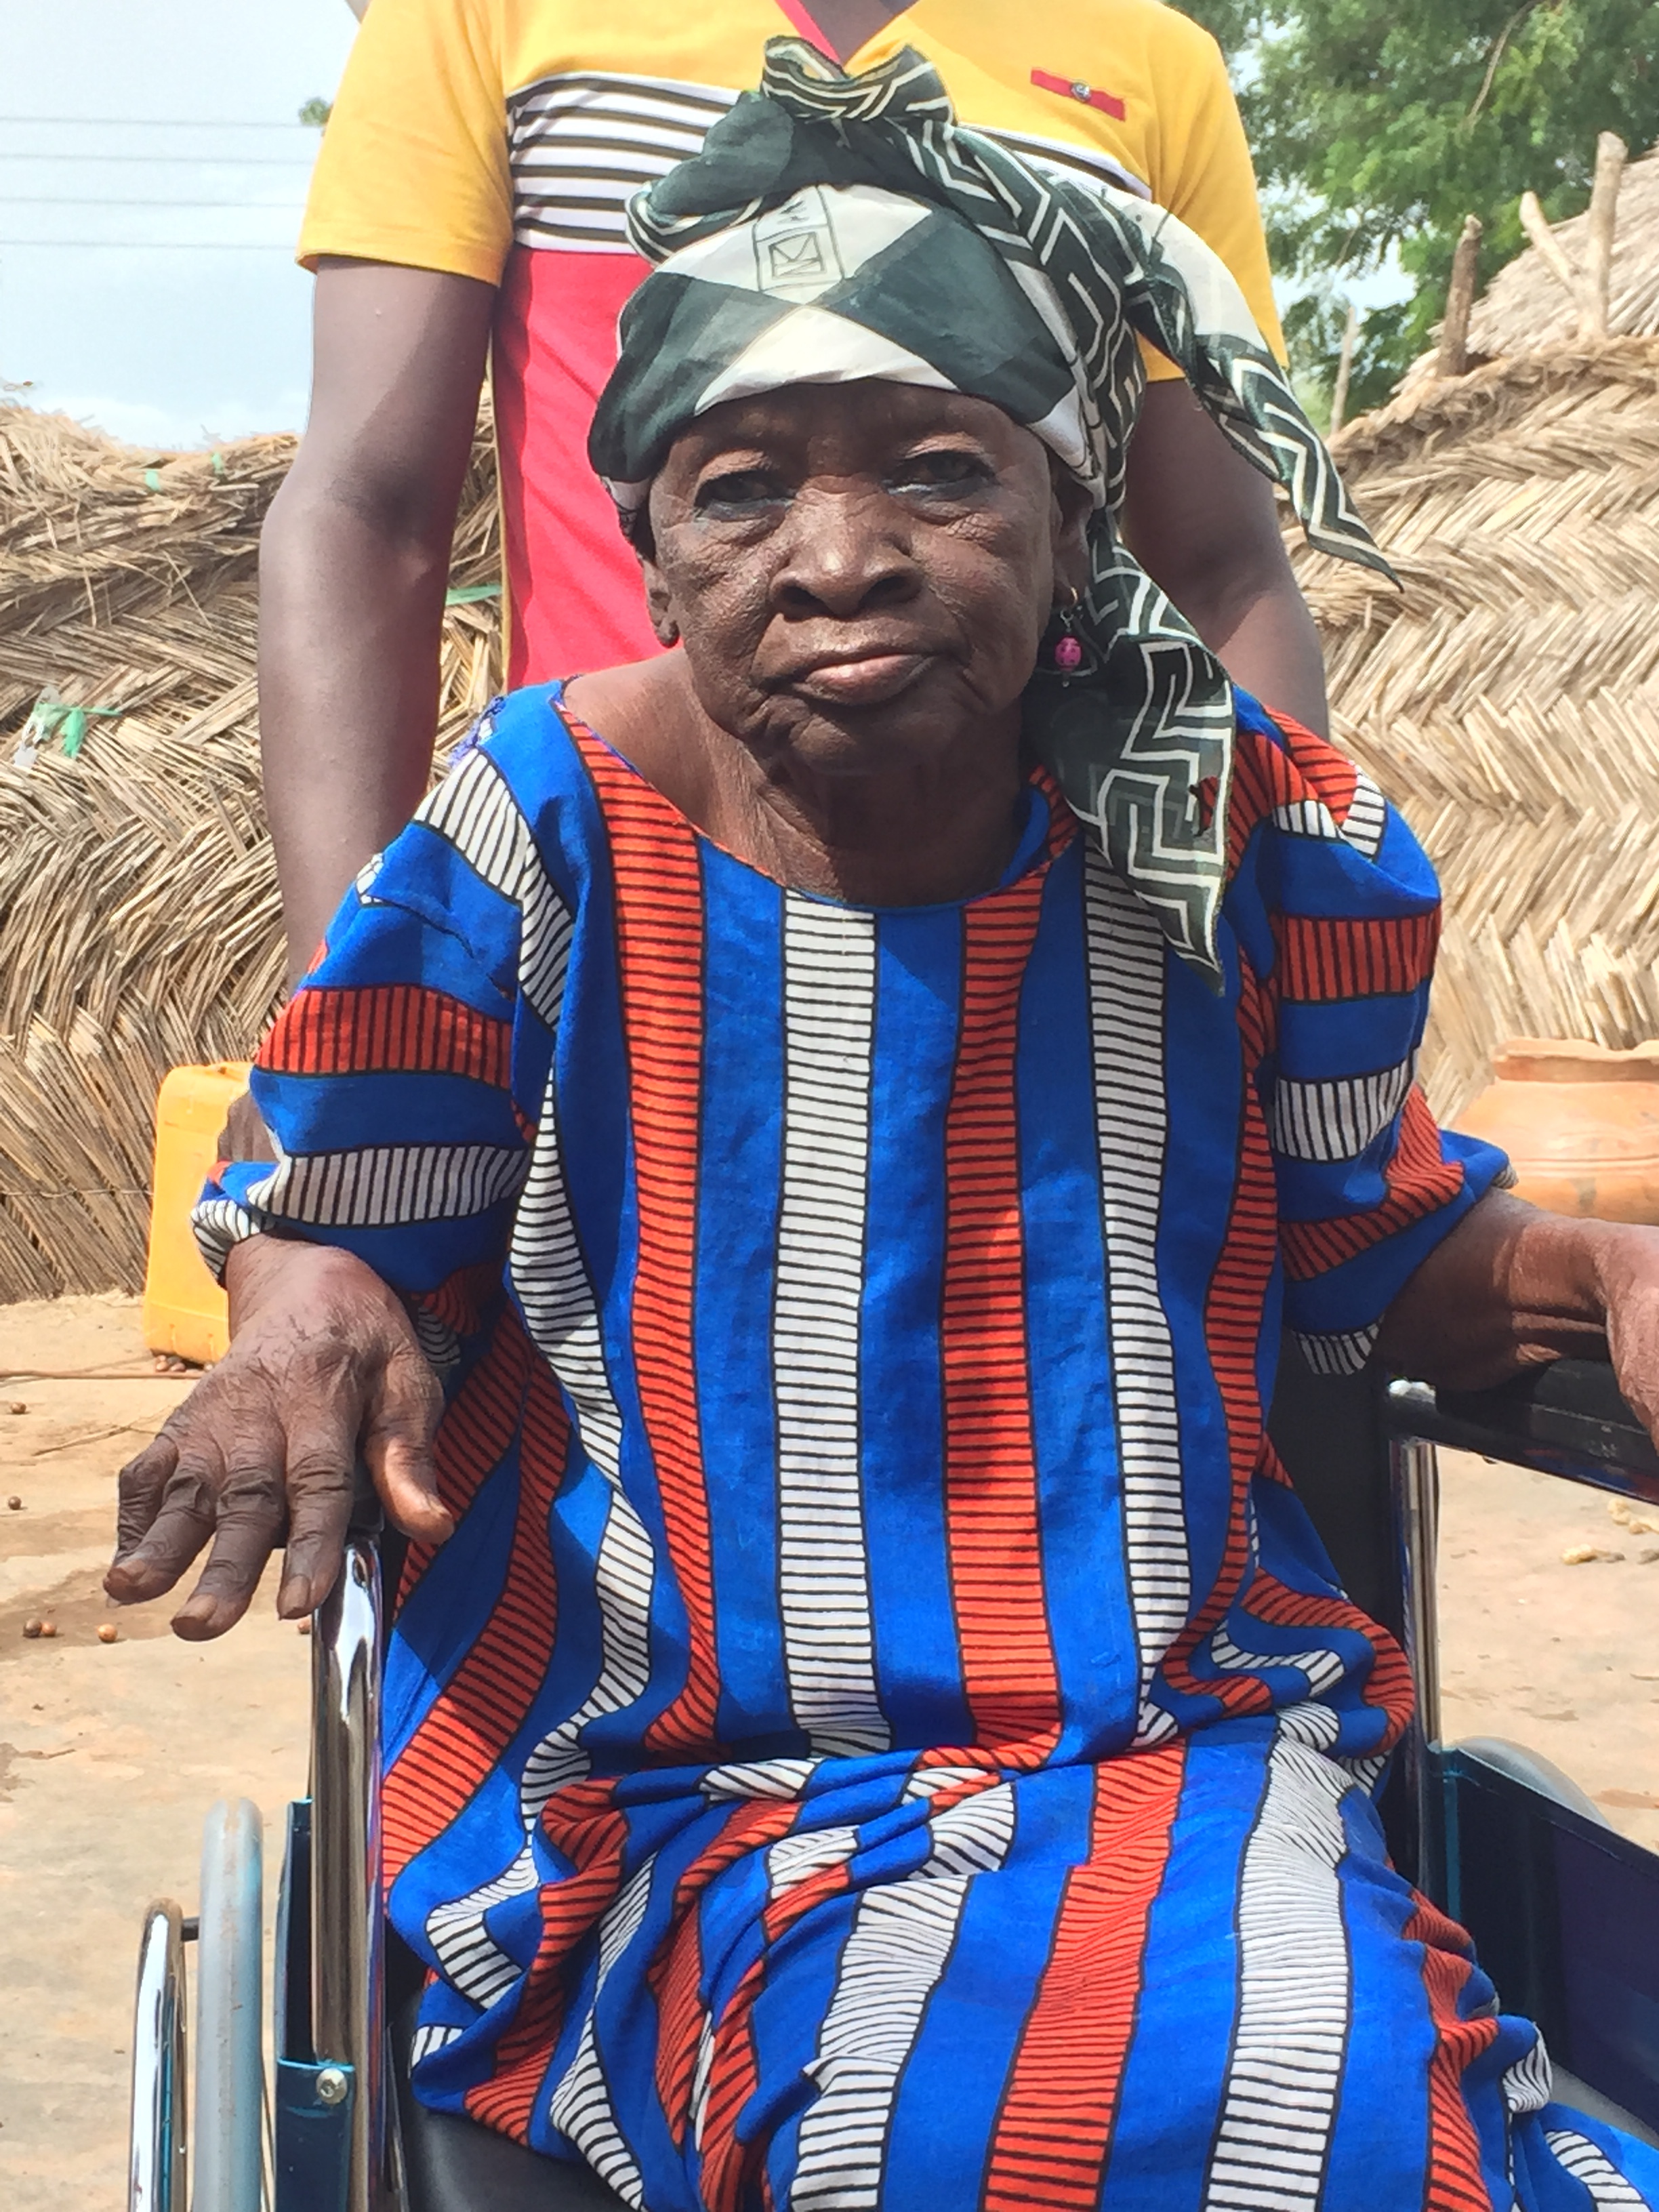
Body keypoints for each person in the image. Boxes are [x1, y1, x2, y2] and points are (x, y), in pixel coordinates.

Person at [111, 45, 1659, 2209]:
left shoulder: (1226, 844)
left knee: (1332, 2098)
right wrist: (297, 1300)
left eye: (942, 474)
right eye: (743, 493)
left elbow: (1375, 1242)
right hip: (675, 1803)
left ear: (1070, 525)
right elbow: (338, 1204)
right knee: (969, 2128)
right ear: (653, 559)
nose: (840, 558)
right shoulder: (541, 834)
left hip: (1181, 1767)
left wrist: (1600, 1266)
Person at [260, 0, 1330, 983]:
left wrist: (1277, 985)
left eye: (939, 470)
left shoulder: (1146, 60)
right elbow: (368, 512)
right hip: (610, 909)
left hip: (1051, 928)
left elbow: (1221, 570)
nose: (841, 565)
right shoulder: (486, 16)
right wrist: (345, 997)